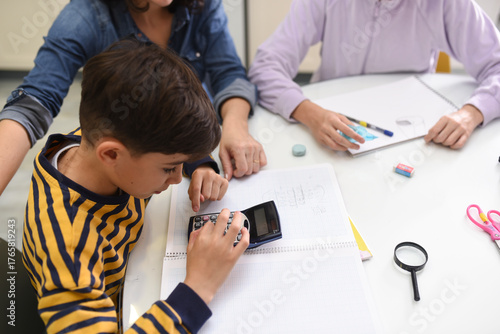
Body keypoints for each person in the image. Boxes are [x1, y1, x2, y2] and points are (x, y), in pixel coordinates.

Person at [22, 38, 249, 333]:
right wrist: (198, 289)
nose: (176, 177)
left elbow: (159, 141)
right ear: (112, 154)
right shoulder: (67, 248)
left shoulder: (100, 139)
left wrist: (200, 164)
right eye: (169, 167)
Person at [0, 0, 266, 197]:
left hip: (190, 152)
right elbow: (32, 103)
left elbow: (229, 72)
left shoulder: (202, 6)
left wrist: (233, 128)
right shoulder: (86, 15)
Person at [248, 0, 500, 152]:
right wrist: (309, 113)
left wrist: (471, 113)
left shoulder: (445, 4)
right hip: (326, 131)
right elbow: (265, 67)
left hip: (411, 138)